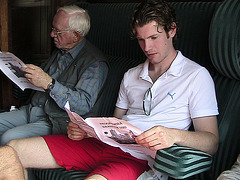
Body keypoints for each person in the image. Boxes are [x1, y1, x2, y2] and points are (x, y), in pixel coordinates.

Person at [0, 0, 218, 180]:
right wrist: (85, 130)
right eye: (141, 40)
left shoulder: (196, 76)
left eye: (154, 38)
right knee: (9, 151)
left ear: (172, 30)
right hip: (101, 145)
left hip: (139, 159)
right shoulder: (131, 75)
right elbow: (113, 123)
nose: (147, 48)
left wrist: (173, 135)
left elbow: (211, 142)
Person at [0, 5, 109, 145]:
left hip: (54, 121)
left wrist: (49, 83)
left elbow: (83, 104)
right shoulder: (60, 51)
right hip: (31, 110)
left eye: (57, 31)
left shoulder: (95, 63)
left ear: (75, 35)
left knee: (9, 138)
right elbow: (42, 79)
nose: (52, 34)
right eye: (53, 29)